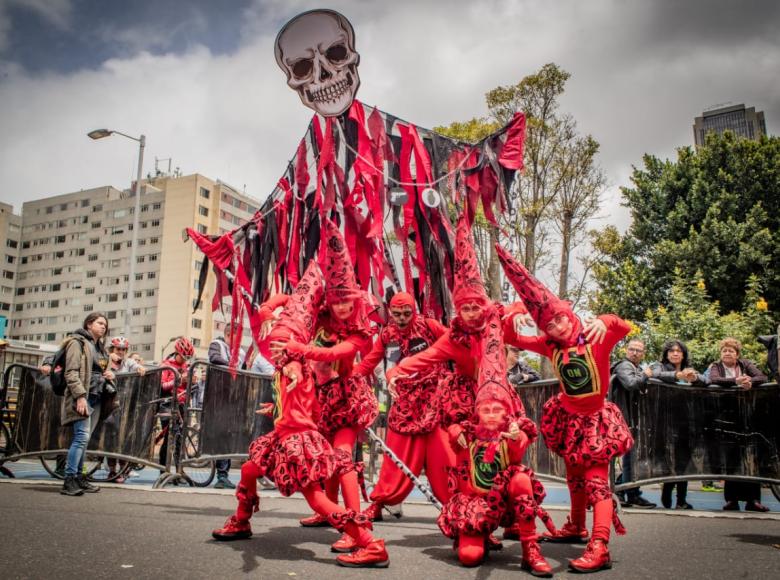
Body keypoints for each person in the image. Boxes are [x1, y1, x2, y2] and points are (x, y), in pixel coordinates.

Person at [211, 259, 389, 568]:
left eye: (281, 344)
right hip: (288, 431)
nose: (275, 348)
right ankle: (241, 520)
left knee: (321, 490)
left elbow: (324, 359)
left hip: (308, 433)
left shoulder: (295, 364)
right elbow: (285, 303)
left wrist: (296, 358)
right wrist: (268, 313)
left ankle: (367, 541)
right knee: (250, 470)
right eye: (274, 343)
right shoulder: (289, 360)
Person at [498, 244, 632, 574]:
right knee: (573, 475)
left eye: (559, 319)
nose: (557, 327)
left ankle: (600, 546)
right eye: (550, 324)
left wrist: (605, 319)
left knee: (597, 482)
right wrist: (512, 314)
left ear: (568, 313)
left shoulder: (594, 336)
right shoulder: (549, 344)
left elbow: (624, 327)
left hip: (596, 421)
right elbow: (509, 336)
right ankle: (575, 525)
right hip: (570, 418)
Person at [270, 219, 378, 548]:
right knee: (327, 461)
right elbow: (290, 302)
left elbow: (337, 354)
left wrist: (300, 349)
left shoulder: (359, 332)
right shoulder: (320, 315)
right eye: (337, 301)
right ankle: (327, 513)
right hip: (318, 402)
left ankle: (355, 526)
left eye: (348, 301)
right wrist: (267, 308)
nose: (343, 307)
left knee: (342, 457)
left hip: (346, 401)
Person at [352, 291, 451, 521]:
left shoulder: (429, 326)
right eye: (397, 314)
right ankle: (380, 502)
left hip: (435, 402)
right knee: (395, 458)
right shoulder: (387, 334)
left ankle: (456, 504)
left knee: (445, 458)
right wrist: (346, 379)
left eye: (407, 313)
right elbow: (369, 362)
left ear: (413, 310)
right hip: (405, 404)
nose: (402, 318)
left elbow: (456, 342)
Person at [707, 337, 770, 512]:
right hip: (725, 415)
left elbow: (762, 376)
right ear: (720, 353)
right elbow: (714, 380)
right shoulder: (715, 366)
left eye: (731, 351)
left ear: (737, 354)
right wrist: (736, 382)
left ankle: (753, 500)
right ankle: (732, 500)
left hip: (746, 415)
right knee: (731, 457)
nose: (727, 353)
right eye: (724, 351)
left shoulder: (745, 364)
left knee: (750, 457)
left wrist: (750, 381)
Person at [60, 312, 117, 496]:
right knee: (81, 438)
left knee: (85, 440)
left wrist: (109, 373)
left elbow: (102, 368)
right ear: (89, 324)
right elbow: (71, 373)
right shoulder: (77, 343)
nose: (104, 327)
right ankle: (69, 480)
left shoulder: (99, 347)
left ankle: (78, 477)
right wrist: (80, 396)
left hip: (97, 395)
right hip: (84, 396)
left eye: (105, 324)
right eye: (100, 323)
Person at [651, 339, 707, 510]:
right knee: (669, 460)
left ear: (684, 354)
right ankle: (667, 490)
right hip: (665, 423)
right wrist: (676, 376)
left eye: (679, 351)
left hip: (687, 423)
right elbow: (654, 374)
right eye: (671, 351)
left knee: (684, 461)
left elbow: (706, 380)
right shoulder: (658, 366)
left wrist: (695, 377)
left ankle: (681, 500)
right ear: (666, 354)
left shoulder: (688, 369)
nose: (675, 353)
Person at [610, 339, 656, 508]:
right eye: (632, 349)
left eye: (638, 350)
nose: (635, 352)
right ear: (626, 350)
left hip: (630, 418)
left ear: (643, 353)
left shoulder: (636, 367)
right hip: (620, 418)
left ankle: (627, 492)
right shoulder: (624, 365)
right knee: (627, 457)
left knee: (632, 458)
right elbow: (630, 384)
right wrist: (646, 375)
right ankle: (622, 492)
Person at [208, 324, 245, 489]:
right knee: (222, 435)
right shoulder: (217, 344)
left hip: (233, 399)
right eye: (238, 337)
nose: (240, 341)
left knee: (230, 436)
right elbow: (214, 358)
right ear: (229, 334)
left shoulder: (242, 352)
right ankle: (221, 476)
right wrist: (232, 365)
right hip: (218, 398)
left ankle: (225, 475)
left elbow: (244, 371)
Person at [105, 336, 146, 483]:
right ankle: (111, 470)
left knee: (124, 438)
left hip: (125, 405)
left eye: (123, 349)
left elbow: (136, 366)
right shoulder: (106, 359)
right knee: (111, 437)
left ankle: (123, 469)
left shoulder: (128, 362)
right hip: (109, 404)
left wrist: (140, 368)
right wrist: (110, 361)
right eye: (118, 349)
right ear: (112, 349)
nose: (121, 351)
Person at [158, 337, 194, 469]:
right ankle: (163, 470)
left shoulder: (186, 366)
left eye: (188, 357)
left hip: (182, 404)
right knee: (169, 439)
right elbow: (162, 386)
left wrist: (192, 381)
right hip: (168, 404)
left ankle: (179, 470)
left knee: (180, 439)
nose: (185, 360)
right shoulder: (166, 365)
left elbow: (187, 387)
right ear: (176, 352)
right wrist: (178, 379)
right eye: (183, 357)